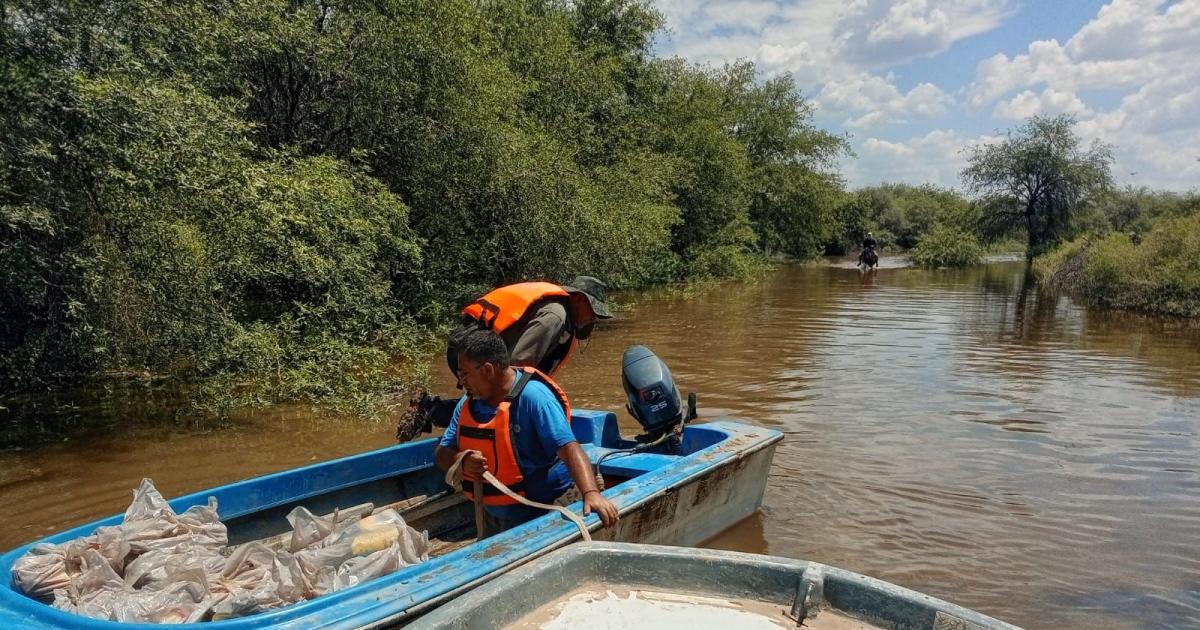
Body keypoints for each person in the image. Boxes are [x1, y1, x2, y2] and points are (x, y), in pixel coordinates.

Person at [434, 329, 620, 534]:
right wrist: (460, 460)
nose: (460, 382)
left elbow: (569, 449)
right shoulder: (468, 403)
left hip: (548, 505)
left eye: (464, 374)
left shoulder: (534, 398)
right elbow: (442, 452)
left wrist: (591, 493)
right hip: (493, 513)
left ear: (487, 370)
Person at [398, 276, 613, 440]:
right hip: (471, 354)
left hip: (472, 350)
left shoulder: (558, 312)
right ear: (578, 299)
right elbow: (518, 364)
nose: (593, 318)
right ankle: (433, 412)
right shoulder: (555, 315)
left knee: (492, 401)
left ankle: (430, 409)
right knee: (494, 402)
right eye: (592, 311)